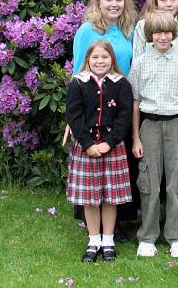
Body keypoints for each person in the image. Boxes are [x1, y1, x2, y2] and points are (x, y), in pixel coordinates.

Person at [129, 11, 178, 258]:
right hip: (149, 125)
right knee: (149, 182)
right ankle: (148, 237)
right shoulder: (140, 62)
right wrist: (136, 138)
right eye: (157, 33)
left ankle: (176, 236)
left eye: (166, 32)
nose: (162, 37)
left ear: (174, 34)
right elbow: (134, 102)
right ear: (150, 35)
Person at [69, 0, 139, 240]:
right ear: (98, 2)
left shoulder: (129, 29)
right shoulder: (87, 31)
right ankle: (92, 226)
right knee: (93, 166)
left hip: (121, 103)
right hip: (91, 105)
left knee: (119, 163)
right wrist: (72, 114)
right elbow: (78, 69)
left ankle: (117, 223)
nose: (114, 3)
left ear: (125, 3)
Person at [66, 40, 134, 262]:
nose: (100, 61)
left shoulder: (121, 83)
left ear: (112, 59)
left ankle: (108, 241)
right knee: (89, 198)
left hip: (111, 148)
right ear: (87, 59)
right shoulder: (78, 83)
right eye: (95, 57)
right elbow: (73, 117)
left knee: (109, 198)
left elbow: (124, 118)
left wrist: (109, 142)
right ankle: (93, 240)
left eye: (105, 57)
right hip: (86, 148)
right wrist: (87, 144)